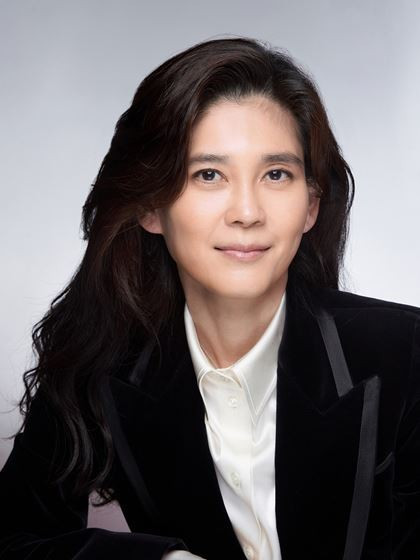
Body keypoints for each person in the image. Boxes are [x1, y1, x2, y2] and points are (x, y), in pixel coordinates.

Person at [0, 36, 419, 560]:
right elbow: (10, 537)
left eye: (276, 174)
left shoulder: (407, 354)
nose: (247, 212)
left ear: (310, 206)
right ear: (150, 207)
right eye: (208, 175)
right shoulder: (105, 365)